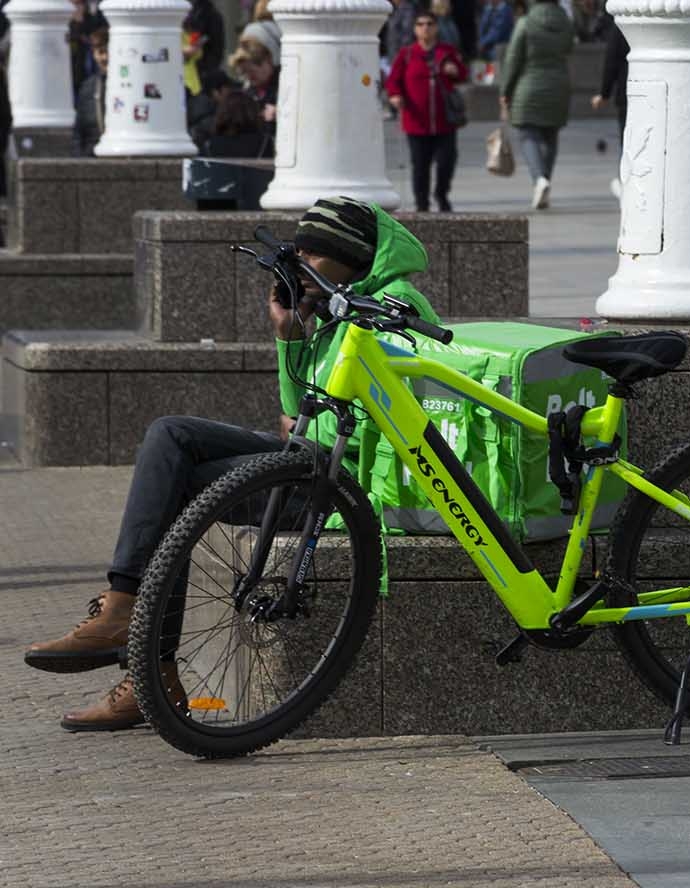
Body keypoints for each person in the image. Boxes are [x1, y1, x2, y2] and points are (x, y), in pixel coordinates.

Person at [22, 197, 443, 732]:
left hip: (344, 481)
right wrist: (289, 332)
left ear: (349, 254)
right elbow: (297, 410)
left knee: (176, 490)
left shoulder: (393, 305)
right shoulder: (333, 301)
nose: (301, 260)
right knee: (169, 435)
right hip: (310, 454)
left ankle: (147, 668)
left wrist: (304, 418)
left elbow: (381, 416)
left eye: (314, 251)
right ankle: (125, 607)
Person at [389, 10, 468, 212]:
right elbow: (393, 81)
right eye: (421, 24)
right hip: (416, 122)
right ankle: (421, 203)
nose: (425, 28)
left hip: (445, 121)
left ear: (436, 27)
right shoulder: (406, 54)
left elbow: (463, 74)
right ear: (415, 29)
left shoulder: (447, 51)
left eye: (430, 24)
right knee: (420, 166)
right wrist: (395, 95)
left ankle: (441, 194)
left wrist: (455, 71)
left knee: (446, 162)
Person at [498, 0, 574, 210]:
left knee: (527, 133)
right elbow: (570, 47)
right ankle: (545, 181)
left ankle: (539, 179)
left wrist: (505, 89)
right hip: (559, 84)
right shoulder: (565, 22)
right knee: (551, 135)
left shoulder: (525, 22)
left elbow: (513, 58)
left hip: (529, 84)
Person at [591, 11, 628, 199]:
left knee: (628, 141)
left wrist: (604, 94)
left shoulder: (624, 20)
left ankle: (627, 184)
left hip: (628, 92)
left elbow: (612, 61)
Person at [231, 22, 282, 131]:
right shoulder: (246, 91)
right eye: (245, 71)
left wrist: (281, 115)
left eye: (253, 71)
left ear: (270, 60)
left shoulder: (284, 88)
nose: (249, 76)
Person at [72, 28, 107, 157]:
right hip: (92, 154)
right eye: (101, 52)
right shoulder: (88, 87)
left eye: (109, 52)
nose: (105, 58)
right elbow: (79, 131)